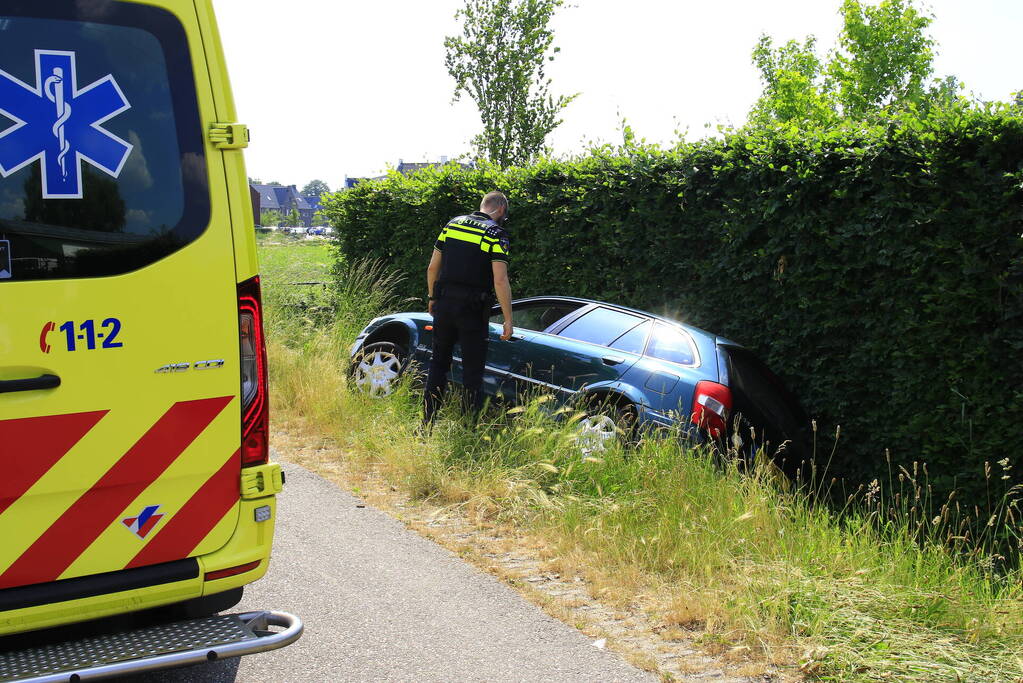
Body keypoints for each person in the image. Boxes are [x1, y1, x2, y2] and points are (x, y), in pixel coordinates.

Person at [423, 191, 514, 424]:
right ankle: (467, 428)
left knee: (438, 364)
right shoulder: (496, 232)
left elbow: (433, 268)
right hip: (473, 309)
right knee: (472, 372)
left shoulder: (452, 224)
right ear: (501, 210)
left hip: (444, 304)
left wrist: (433, 298)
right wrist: (508, 319)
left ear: (482, 205)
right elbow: (500, 280)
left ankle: (426, 423)